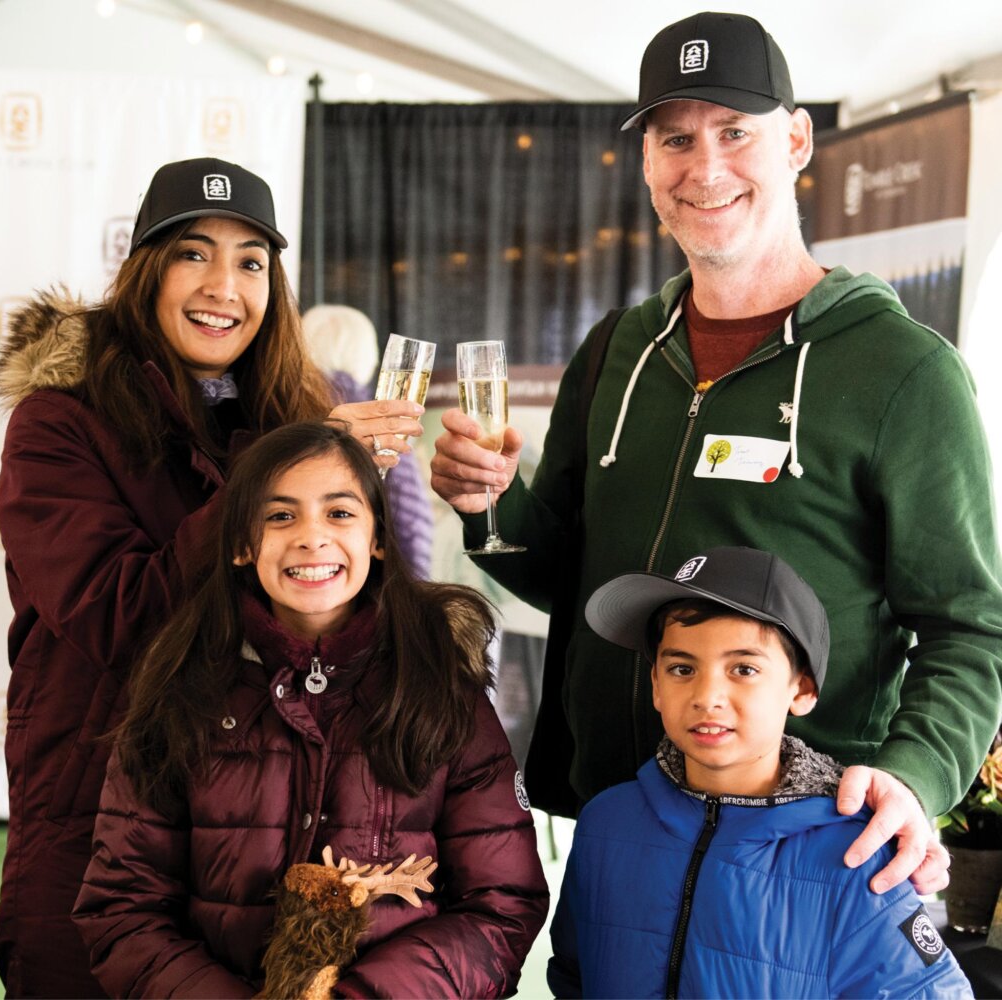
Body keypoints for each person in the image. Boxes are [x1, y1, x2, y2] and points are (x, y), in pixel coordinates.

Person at [430, 11, 1002, 894]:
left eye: (737, 132)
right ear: (648, 163)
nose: (707, 168)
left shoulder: (906, 373)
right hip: (617, 823)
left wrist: (916, 776)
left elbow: (970, 628)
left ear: (798, 139)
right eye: (676, 138)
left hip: (800, 845)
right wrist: (489, 504)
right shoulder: (619, 347)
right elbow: (573, 579)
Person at [0, 157, 424, 998]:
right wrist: (288, 476)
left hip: (263, 821)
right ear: (146, 267)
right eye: (194, 253)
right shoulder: (58, 422)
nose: (224, 284)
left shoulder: (289, 413)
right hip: (98, 801)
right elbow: (117, 614)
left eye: (251, 262)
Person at [71, 420, 549, 998]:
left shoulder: (441, 689)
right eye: (280, 516)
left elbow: (501, 906)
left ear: (377, 537)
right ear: (244, 545)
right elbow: (122, 910)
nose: (312, 537)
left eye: (340, 513)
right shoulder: (180, 685)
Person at [548, 547, 973, 999]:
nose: (707, 694)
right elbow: (574, 976)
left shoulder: (853, 853)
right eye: (681, 668)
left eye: (744, 668)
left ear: (802, 688)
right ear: (655, 684)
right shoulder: (605, 823)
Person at [302, 303, 435, 578]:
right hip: (365, 582)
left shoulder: (283, 410)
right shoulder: (380, 414)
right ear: (369, 356)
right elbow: (411, 524)